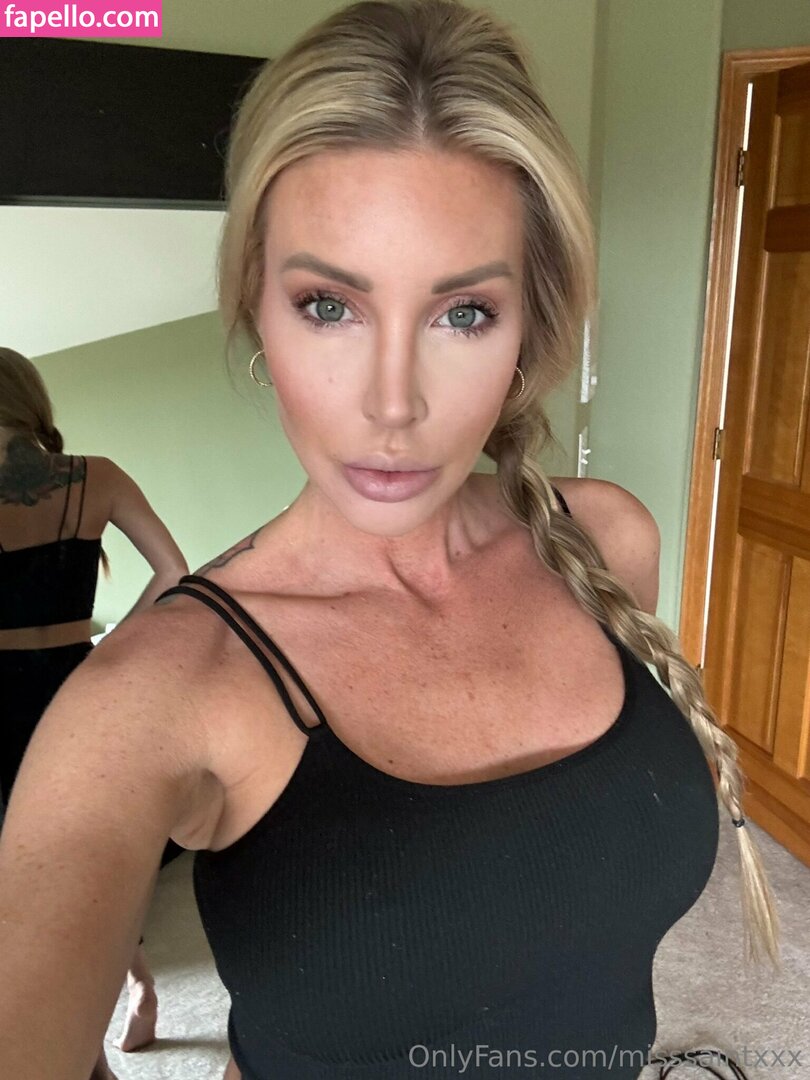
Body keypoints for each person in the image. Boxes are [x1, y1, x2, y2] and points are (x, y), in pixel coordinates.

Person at [0, 2, 781, 1078]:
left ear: (530, 325)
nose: (393, 404)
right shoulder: (156, 697)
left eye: (463, 314)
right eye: (329, 306)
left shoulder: (603, 542)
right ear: (256, 310)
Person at [0, 346, 189, 1079]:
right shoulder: (95, 477)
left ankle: (89, 1050)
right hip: (73, 691)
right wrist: (108, 657)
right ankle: (135, 991)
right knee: (89, 866)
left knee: (30, 886)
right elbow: (174, 573)